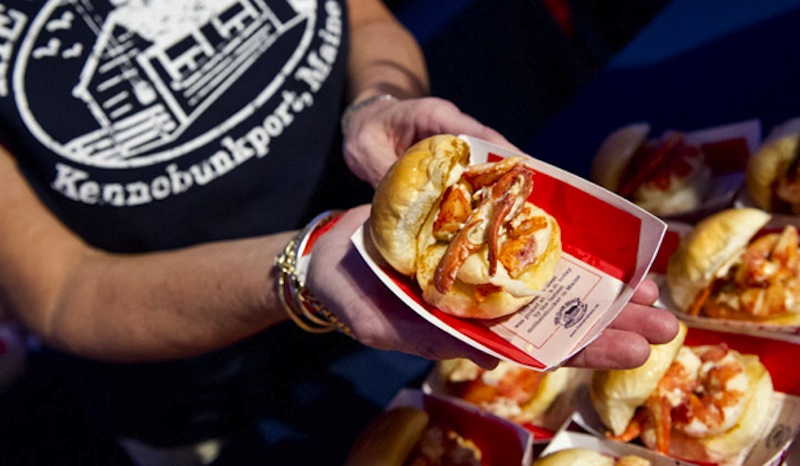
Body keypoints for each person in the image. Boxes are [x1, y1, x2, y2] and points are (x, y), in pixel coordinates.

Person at [0, 1, 678, 464]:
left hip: (413, 294)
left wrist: (380, 102)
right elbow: (61, 292)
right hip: (203, 386)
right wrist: (303, 261)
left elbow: (363, 15)